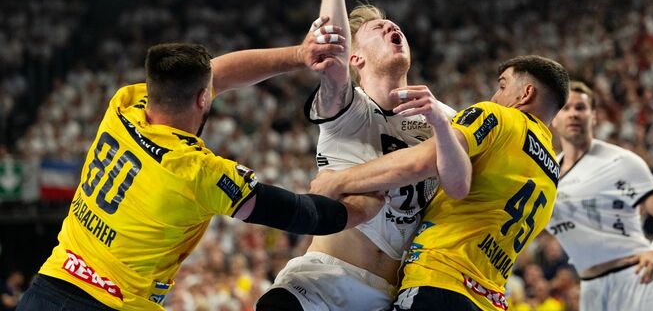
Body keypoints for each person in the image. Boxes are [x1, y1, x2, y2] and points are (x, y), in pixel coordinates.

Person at [18, 34, 382, 311]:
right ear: (203, 99)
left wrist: (299, 55)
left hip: (46, 288)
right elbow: (302, 215)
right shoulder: (197, 171)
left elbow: (215, 74)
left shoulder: (124, 107)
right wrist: (366, 205)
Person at [256, 0, 465, 311]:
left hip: (391, 294)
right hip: (323, 280)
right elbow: (329, 55)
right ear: (356, 57)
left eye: (393, 25)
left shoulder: (444, 117)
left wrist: (441, 124)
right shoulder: (347, 109)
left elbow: (460, 187)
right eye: (376, 28)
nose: (390, 25)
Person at [311, 55, 570, 311]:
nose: (494, 97)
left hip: (440, 281)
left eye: (502, 86)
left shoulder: (500, 117)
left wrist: (338, 180)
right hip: (489, 299)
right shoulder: (551, 174)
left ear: (526, 93)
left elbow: (422, 162)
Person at [544, 81, 653, 311]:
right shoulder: (546, 174)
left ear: (594, 116)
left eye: (581, 108)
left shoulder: (621, 161)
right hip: (590, 288)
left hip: (635, 278)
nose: (574, 114)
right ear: (554, 119)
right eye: (566, 108)